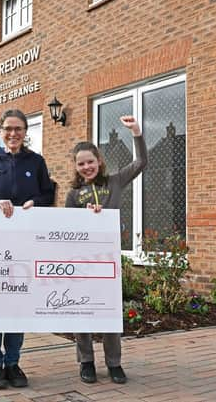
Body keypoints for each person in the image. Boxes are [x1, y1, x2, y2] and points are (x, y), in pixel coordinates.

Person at [0, 108, 55, 389]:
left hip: (25, 245)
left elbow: (48, 195)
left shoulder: (37, 161)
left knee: (18, 305)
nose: (13, 133)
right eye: (8, 128)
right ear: (1, 130)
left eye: (18, 128)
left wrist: (37, 203)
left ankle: (14, 363)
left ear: (25, 131)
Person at [65, 115, 147, 384]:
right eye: (81, 163)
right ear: (76, 168)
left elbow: (141, 163)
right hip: (82, 260)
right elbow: (67, 231)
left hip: (109, 258)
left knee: (109, 312)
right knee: (83, 312)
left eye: (90, 161)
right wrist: (86, 217)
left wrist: (136, 132)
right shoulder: (73, 196)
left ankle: (114, 363)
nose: (86, 166)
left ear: (99, 162)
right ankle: (86, 361)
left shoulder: (114, 181)